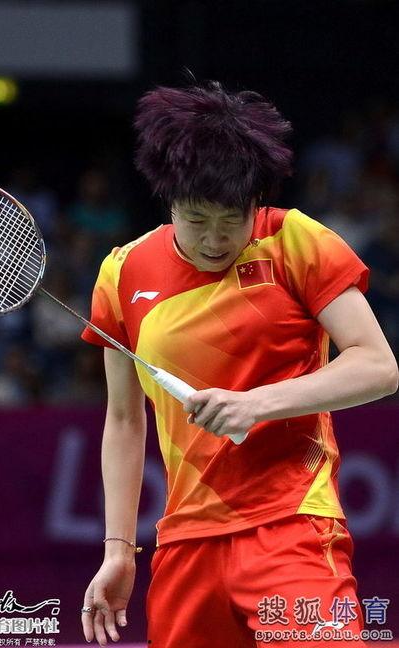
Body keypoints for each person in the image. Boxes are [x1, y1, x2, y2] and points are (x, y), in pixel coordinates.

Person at [79, 81, 398, 647]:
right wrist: (118, 549)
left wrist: (256, 404)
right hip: (186, 541)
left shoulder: (296, 241)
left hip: (291, 524)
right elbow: (125, 421)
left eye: (232, 218)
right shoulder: (122, 272)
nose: (214, 239)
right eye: (196, 218)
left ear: (256, 201)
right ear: (169, 201)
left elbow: (377, 365)